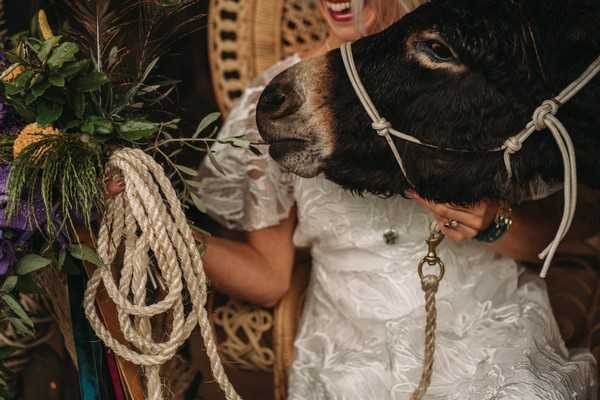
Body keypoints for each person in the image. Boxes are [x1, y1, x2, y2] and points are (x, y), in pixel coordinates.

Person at [111, 0, 598, 398]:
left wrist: (492, 222)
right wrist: (159, 221)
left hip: (486, 324)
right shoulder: (279, 104)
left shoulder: (462, 63)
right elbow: (268, 277)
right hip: (350, 349)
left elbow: (566, 237)